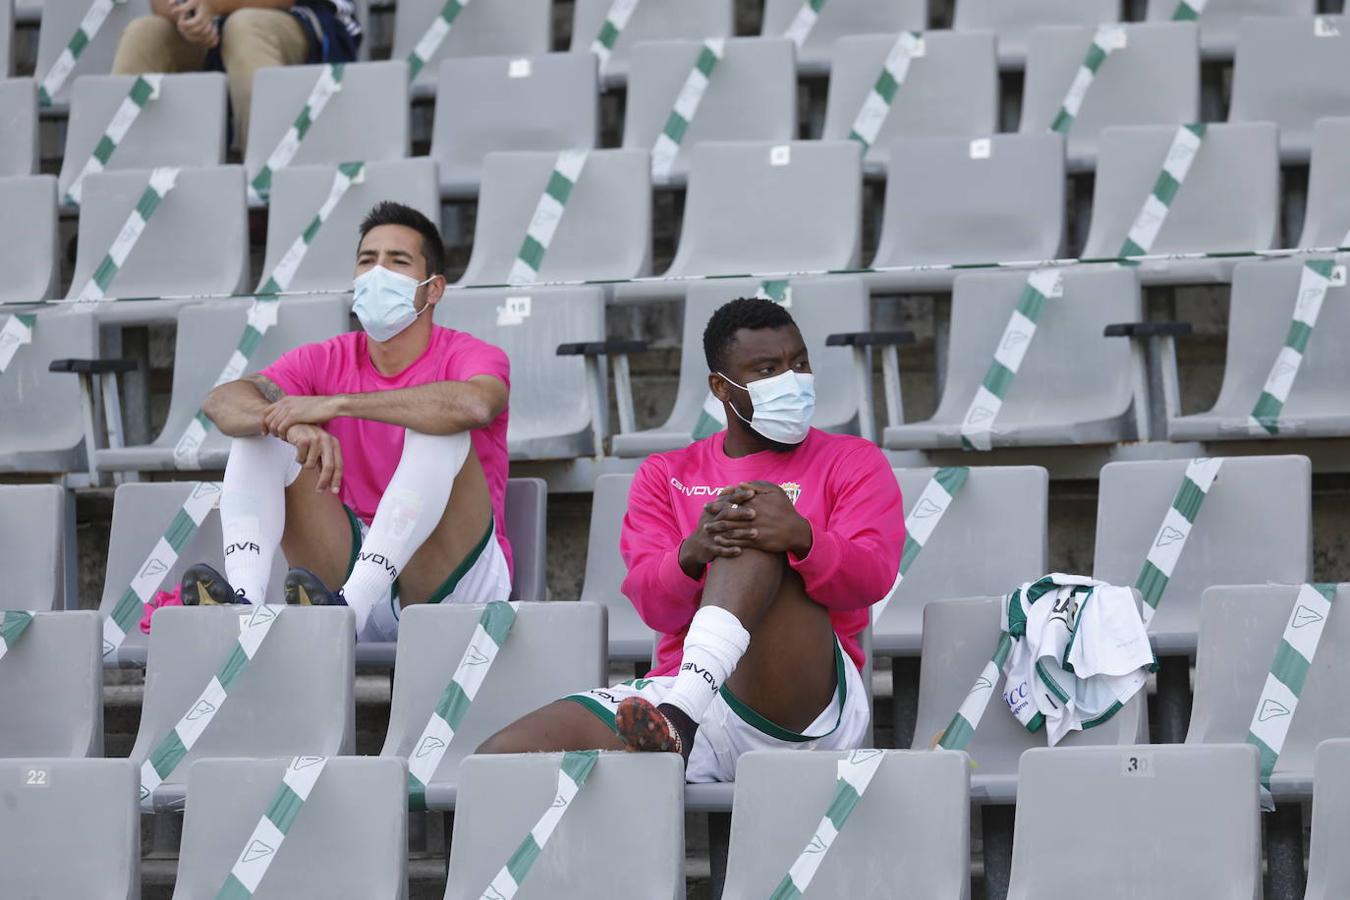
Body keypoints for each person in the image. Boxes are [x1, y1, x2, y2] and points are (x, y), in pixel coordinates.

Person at [479, 298, 904, 779]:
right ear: (722, 387)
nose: (792, 380)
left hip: (806, 703)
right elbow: (653, 607)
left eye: (799, 363)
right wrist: (690, 555)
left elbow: (872, 578)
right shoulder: (665, 473)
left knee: (749, 515)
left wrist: (802, 538)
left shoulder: (853, 459)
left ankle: (681, 717)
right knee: (502, 760)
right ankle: (678, 721)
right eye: (768, 370)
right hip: (686, 692)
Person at [180, 201, 512, 643]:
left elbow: (475, 406)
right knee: (259, 435)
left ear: (433, 289)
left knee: (441, 433)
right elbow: (222, 401)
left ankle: (350, 607)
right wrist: (286, 423)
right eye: (366, 261)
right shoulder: (328, 355)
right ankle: (243, 603)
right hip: (355, 573)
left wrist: (337, 405)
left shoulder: (469, 354)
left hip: (456, 586)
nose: (378, 273)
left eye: (397, 262)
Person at [111, 0, 361, 146]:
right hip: (215, 23)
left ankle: (267, 183)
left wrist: (214, 5)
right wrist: (189, 16)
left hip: (304, 18)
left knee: (244, 27)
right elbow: (160, 4)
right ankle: (114, 192)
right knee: (144, 33)